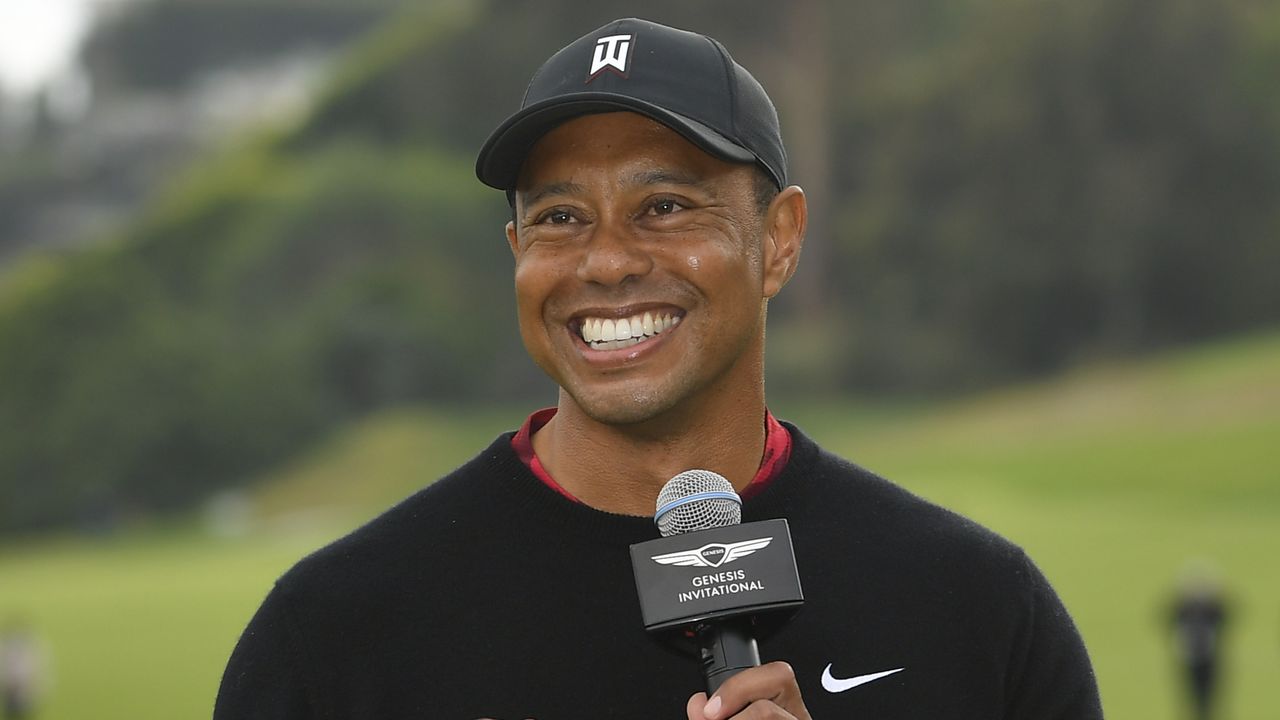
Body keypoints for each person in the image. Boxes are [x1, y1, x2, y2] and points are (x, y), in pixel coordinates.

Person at [214, 17, 1102, 719]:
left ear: (780, 240)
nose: (605, 262)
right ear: (516, 250)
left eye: (665, 205)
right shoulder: (334, 632)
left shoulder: (976, 608)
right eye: (561, 218)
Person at [1169, 562, 1228, 720]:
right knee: (1192, 691)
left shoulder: (1212, 608)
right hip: (1192, 654)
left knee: (1210, 693)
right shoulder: (1183, 608)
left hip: (1209, 654)